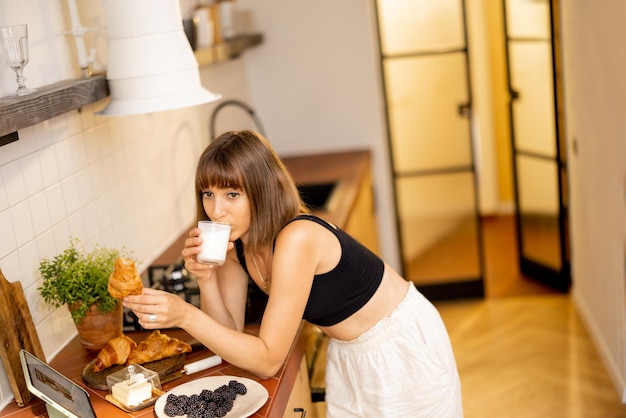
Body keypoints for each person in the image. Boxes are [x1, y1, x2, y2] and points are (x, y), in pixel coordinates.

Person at [123, 130, 463, 417]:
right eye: (208, 193)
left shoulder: (297, 238)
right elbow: (229, 339)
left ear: (262, 190)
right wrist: (206, 278)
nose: (216, 209)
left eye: (232, 194)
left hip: (399, 347)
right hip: (349, 352)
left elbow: (269, 360)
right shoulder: (237, 244)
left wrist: (185, 314)